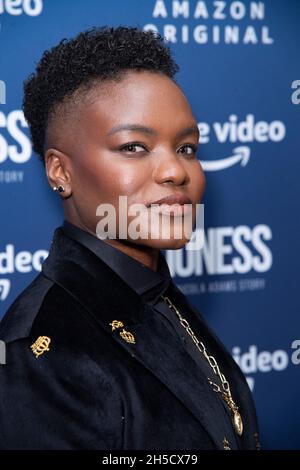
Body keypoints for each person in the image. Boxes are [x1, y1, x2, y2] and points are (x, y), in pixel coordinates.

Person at [0, 26, 260, 450]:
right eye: (135, 147)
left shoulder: (156, 294)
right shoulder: (40, 353)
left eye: (187, 148)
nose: (176, 171)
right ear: (60, 172)